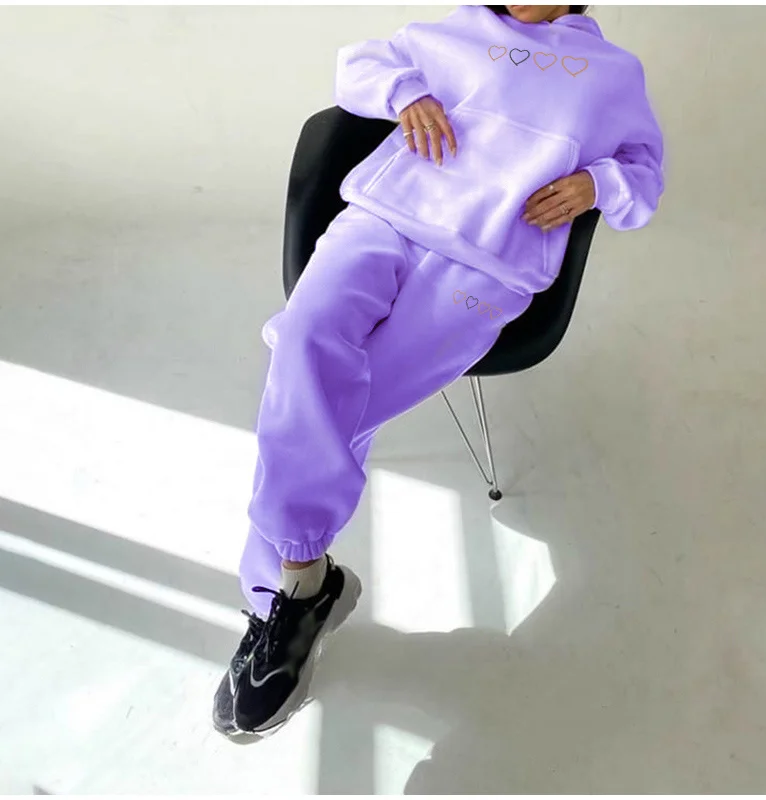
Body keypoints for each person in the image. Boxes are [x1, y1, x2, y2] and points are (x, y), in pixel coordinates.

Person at [213, 3, 665, 738]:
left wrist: (598, 186)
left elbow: (645, 180)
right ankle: (301, 578)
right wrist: (405, 93)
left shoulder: (614, 75)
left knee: (334, 397)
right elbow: (357, 65)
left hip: (487, 264)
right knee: (304, 338)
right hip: (385, 219)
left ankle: (291, 590)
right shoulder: (451, 31)